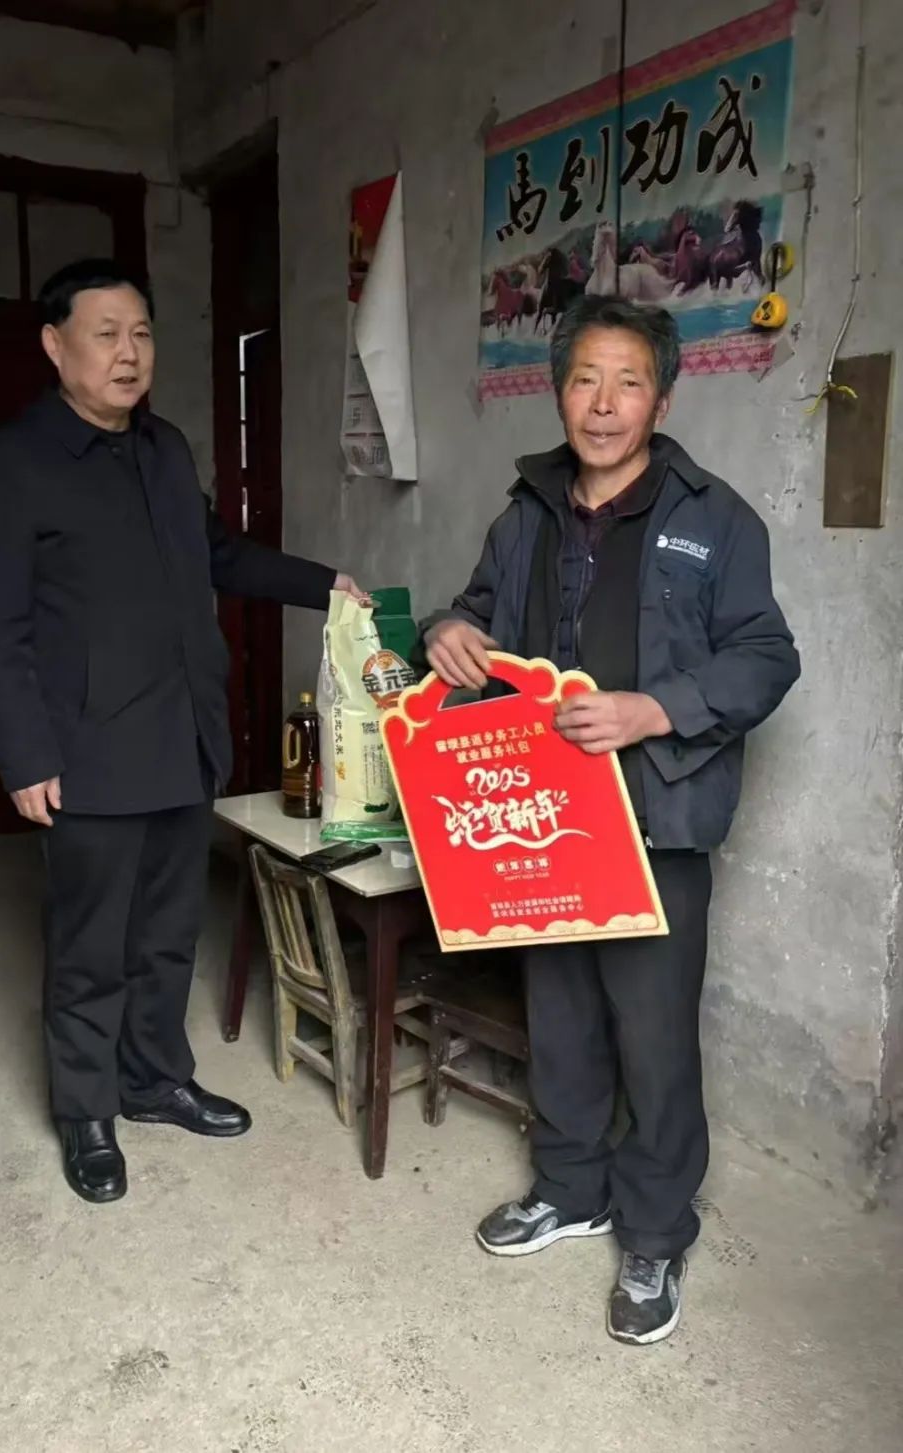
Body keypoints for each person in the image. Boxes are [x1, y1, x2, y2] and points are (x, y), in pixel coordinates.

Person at [423, 295, 799, 1345]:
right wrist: (450, 631)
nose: (603, 403)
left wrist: (654, 710)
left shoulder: (716, 519)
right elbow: (475, 614)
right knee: (561, 1017)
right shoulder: (526, 514)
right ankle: (569, 1186)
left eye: (628, 382)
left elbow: (767, 657)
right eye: (585, 379)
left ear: (661, 400)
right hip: (546, 814)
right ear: (558, 391)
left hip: (658, 815)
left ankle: (654, 1229)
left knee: (654, 1035)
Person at [0, 258, 364, 1204]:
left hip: (184, 739)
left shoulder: (164, 448)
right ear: (55, 345)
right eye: (105, 334)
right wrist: (25, 754)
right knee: (90, 946)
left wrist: (322, 583)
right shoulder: (7, 463)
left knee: (171, 933)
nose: (128, 353)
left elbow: (217, 552)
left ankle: (153, 1078)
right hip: (85, 753)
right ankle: (86, 1112)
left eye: (140, 333)